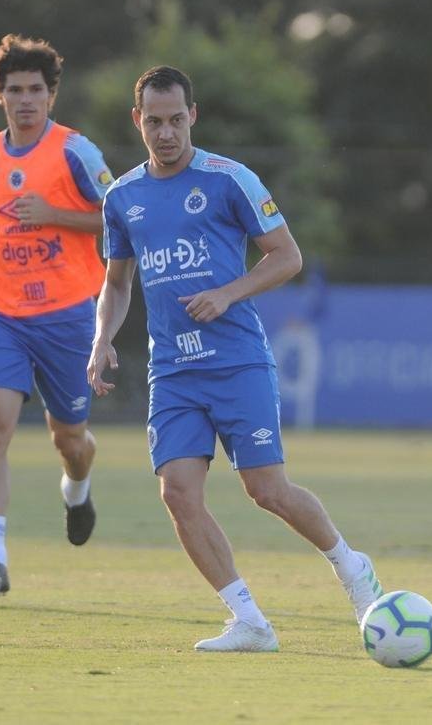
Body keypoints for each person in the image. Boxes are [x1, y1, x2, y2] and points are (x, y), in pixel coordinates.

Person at [86, 66, 382, 651]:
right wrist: (102, 339)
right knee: (177, 493)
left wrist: (227, 293)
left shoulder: (230, 179)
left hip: (237, 361)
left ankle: (351, 566)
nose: (166, 133)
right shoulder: (121, 197)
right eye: (154, 122)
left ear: (193, 116)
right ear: (137, 121)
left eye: (176, 120)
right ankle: (249, 621)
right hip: (173, 371)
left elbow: (287, 257)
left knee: (267, 490)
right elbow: (116, 283)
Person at [0, 34, 115, 597]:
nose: (25, 100)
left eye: (35, 90)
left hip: (67, 315)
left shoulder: (75, 152)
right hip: (1, 310)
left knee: (71, 440)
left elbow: (119, 216)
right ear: (0, 95)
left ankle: (76, 489)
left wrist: (54, 214)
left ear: (51, 94)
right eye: (15, 90)